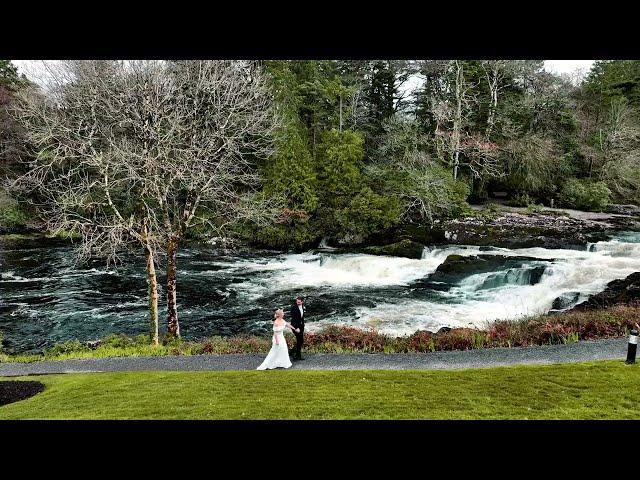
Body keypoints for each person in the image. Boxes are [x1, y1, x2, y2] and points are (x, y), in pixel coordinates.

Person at [289, 296, 305, 360]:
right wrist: (296, 328)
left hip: (301, 326)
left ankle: (292, 351)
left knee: (301, 341)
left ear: (302, 302)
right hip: (295, 326)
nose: (297, 303)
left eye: (299, 302)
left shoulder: (303, 307)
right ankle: (297, 356)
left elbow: (302, 316)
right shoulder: (294, 308)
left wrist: (303, 324)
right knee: (299, 340)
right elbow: (294, 319)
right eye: (297, 302)